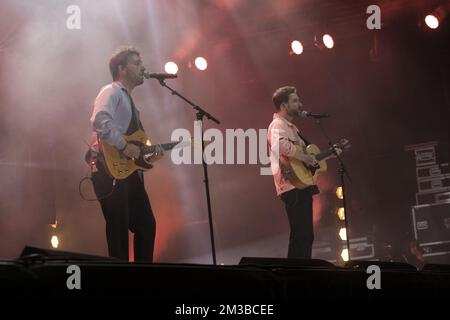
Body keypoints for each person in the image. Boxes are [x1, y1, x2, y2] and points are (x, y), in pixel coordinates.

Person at [88, 47, 164, 262]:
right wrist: (123, 145)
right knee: (118, 228)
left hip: (126, 171)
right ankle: (120, 283)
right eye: (137, 63)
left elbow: (136, 147)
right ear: (121, 69)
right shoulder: (111, 91)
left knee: (146, 225)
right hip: (107, 169)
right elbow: (100, 120)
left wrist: (148, 156)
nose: (143, 67)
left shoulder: (131, 104)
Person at [268, 86, 341, 259]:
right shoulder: (277, 124)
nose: (300, 104)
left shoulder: (292, 128)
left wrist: (330, 154)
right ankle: (294, 274)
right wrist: (306, 158)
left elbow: (311, 157)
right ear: (284, 105)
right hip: (291, 185)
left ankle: (302, 270)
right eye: (295, 101)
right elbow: (282, 146)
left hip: (300, 184)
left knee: (306, 235)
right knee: (300, 234)